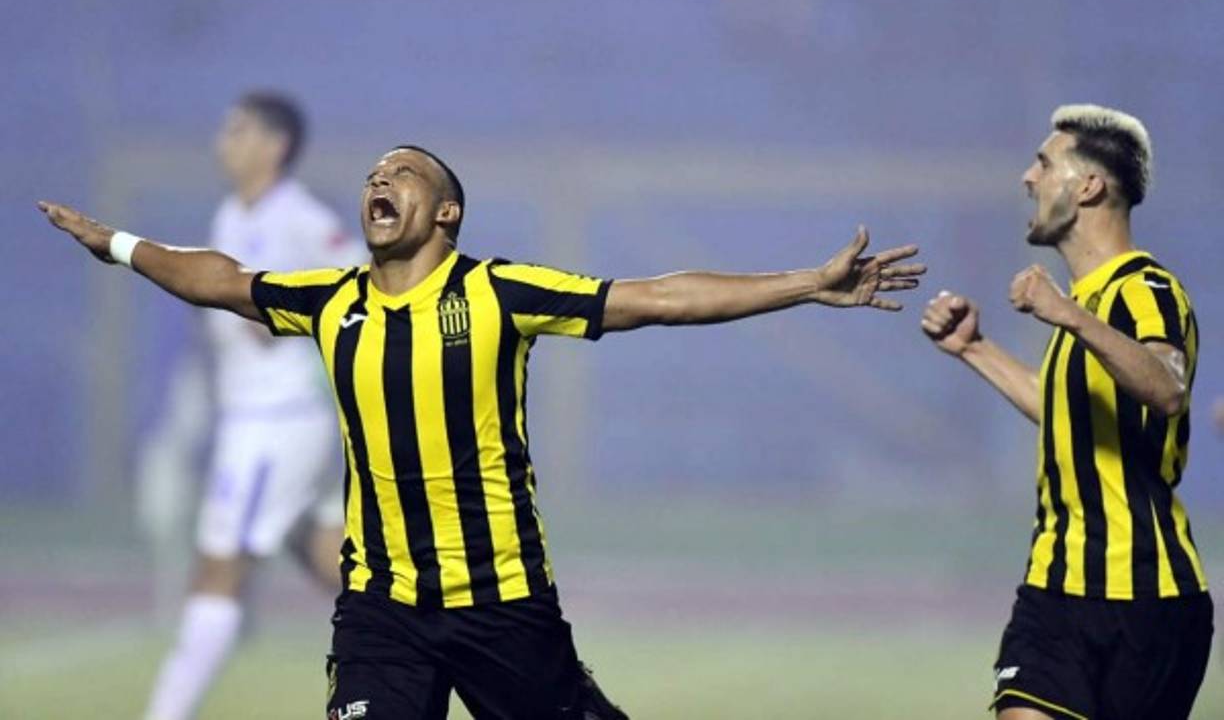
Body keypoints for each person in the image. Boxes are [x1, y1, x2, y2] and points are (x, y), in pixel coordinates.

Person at [39, 144, 925, 719]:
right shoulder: (331, 299)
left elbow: (659, 298)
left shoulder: (498, 291)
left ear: (447, 213)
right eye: (373, 174)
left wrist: (807, 283)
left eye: (403, 174)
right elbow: (219, 279)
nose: (379, 181)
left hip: (502, 605)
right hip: (379, 608)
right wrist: (117, 245)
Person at [921, 105, 1211, 720]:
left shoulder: (1145, 289)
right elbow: (1066, 414)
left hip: (1147, 598)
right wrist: (974, 349)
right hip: (1054, 589)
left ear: (1089, 186)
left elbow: (1167, 388)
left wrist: (1071, 316)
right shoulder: (1083, 304)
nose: (1029, 177)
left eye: (1045, 163)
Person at [140, 92, 363, 720]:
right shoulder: (233, 214)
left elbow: (364, 284)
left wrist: (289, 316)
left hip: (276, 421)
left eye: (237, 130)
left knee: (219, 569)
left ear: (275, 145)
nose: (224, 141)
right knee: (319, 547)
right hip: (257, 417)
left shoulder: (298, 217)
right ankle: (435, 637)